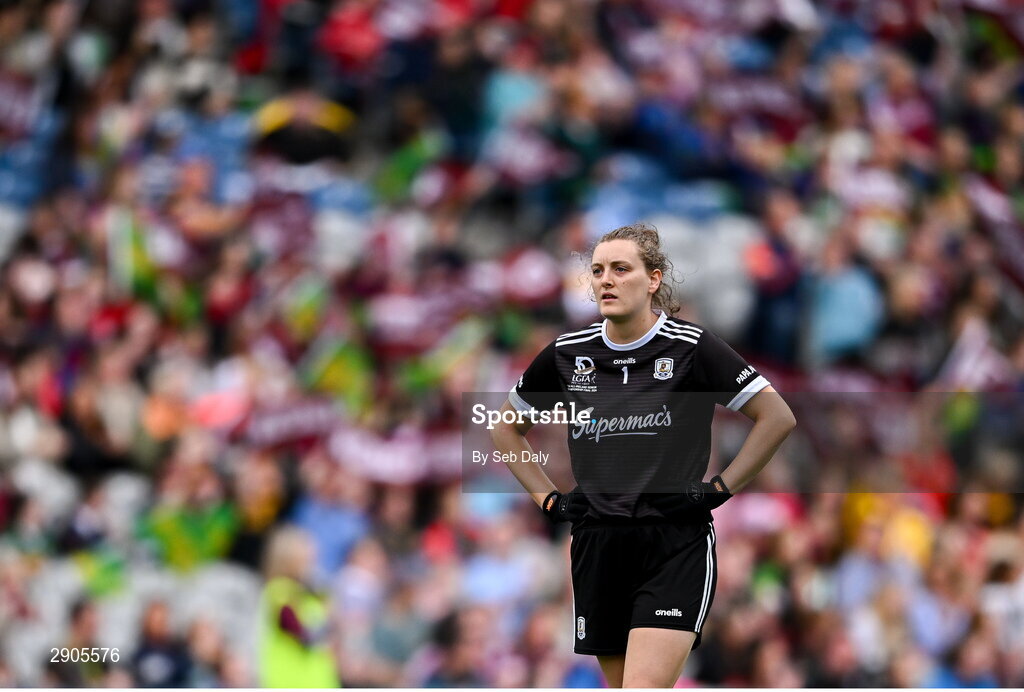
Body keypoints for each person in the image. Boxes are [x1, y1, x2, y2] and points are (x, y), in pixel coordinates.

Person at [491, 222, 796, 688]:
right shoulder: (568, 353)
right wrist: (549, 499)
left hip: (674, 544)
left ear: (653, 279)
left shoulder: (691, 347)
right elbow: (504, 429)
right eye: (597, 271)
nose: (605, 280)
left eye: (620, 268)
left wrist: (719, 490)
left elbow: (776, 417)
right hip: (598, 545)